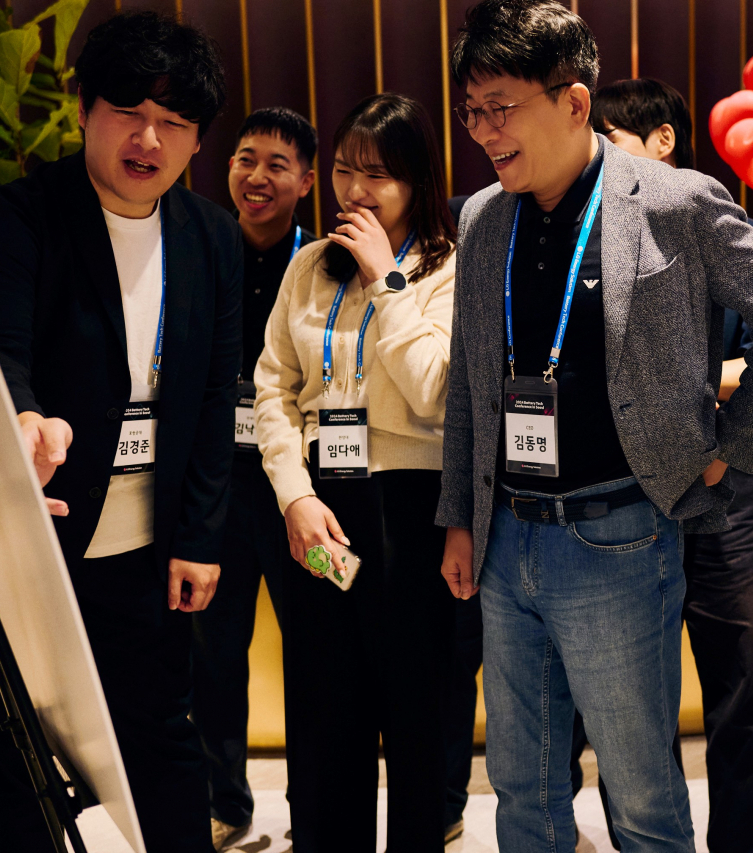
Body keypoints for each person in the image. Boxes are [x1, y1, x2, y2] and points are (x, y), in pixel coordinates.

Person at [439, 3, 753, 851]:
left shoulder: (675, 201)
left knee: (643, 796)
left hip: (618, 536)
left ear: (574, 103)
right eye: (472, 112)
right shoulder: (481, 218)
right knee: (521, 790)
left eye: (501, 108)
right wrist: (461, 516)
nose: (484, 132)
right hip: (505, 541)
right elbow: (471, 384)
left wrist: (731, 448)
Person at [0, 11, 239, 851]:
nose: (148, 137)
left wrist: (200, 536)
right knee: (16, 751)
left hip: (146, 553)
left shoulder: (209, 237)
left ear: (195, 142)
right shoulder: (17, 218)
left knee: (160, 737)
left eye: (175, 122)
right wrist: (24, 423)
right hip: (31, 534)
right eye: (128, 109)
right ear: (85, 109)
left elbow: (217, 394)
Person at [586, 76, 753, 853]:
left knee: (740, 693)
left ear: (662, 140)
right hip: (628, 493)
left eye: (611, 138)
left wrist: (727, 435)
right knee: (629, 704)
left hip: (727, 490)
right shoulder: (590, 239)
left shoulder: (726, 226)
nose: (596, 158)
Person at [254, 92, 457, 852]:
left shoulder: (445, 267)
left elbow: (434, 389)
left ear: (416, 180)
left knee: (415, 717)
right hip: (318, 506)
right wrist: (294, 495)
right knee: (323, 715)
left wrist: (385, 279)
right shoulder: (308, 265)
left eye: (377, 175)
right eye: (343, 171)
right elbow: (273, 387)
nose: (355, 191)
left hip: (411, 506)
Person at [191, 106, 317, 851]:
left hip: (298, 489)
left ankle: (317, 801)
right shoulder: (202, 251)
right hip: (215, 486)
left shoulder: (324, 261)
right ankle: (224, 803)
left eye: (277, 162)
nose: (258, 175)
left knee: (313, 652)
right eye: (246, 158)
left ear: (306, 179)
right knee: (212, 656)